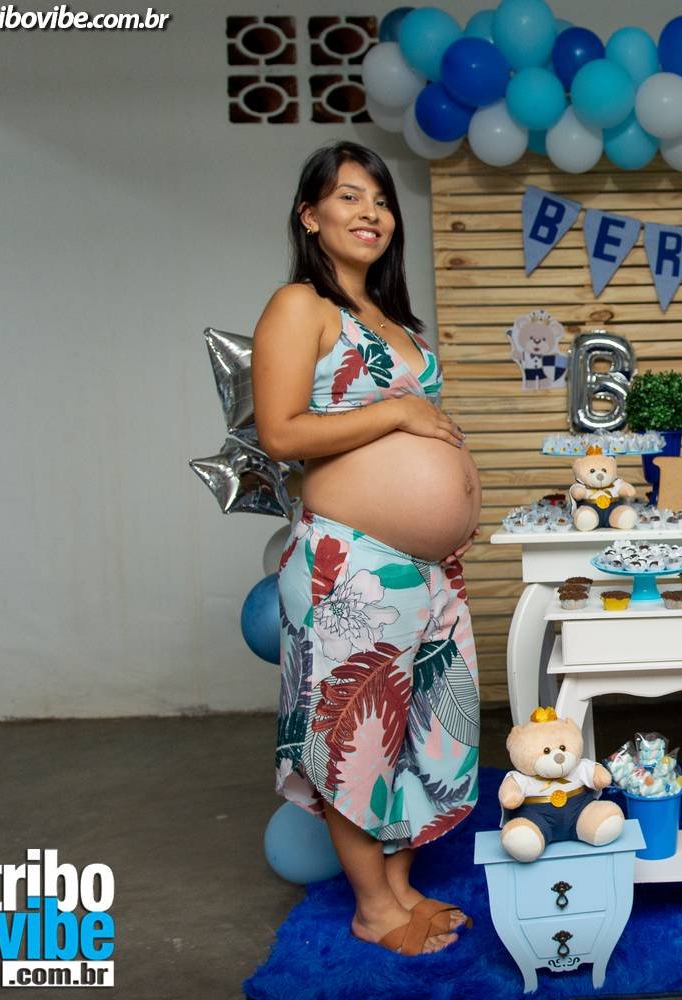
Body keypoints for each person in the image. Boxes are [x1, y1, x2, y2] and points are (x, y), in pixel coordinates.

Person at [253, 141, 481, 956]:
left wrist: (451, 501)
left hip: (427, 569)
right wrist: (399, 414)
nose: (370, 213)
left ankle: (400, 889)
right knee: (357, 735)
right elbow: (282, 433)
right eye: (348, 197)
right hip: (348, 566)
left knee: (422, 732)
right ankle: (373, 909)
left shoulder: (393, 320)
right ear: (310, 216)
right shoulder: (300, 306)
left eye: (380, 200)